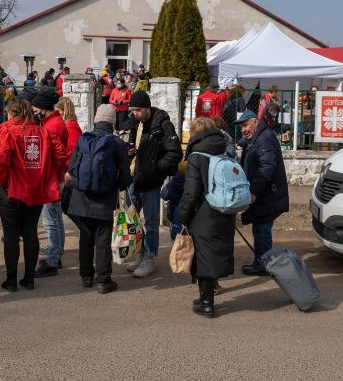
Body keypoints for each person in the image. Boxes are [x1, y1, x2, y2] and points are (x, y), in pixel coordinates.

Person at [0, 99, 67, 291]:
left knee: (11, 236)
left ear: (11, 113)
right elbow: (61, 156)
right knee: (30, 232)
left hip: (12, 189)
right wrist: (52, 175)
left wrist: (2, 181)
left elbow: (0, 159)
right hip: (36, 189)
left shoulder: (7, 130)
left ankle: (11, 280)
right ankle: (29, 278)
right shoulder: (44, 132)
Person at [65, 104, 132, 294]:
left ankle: (86, 276)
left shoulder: (83, 139)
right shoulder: (117, 143)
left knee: (86, 237)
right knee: (102, 240)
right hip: (104, 199)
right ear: (112, 121)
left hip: (81, 198)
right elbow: (126, 176)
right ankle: (104, 280)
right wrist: (118, 187)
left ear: (96, 119)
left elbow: (71, 168)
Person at [177, 117, 236, 318]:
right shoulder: (225, 149)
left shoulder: (196, 156)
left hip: (204, 213)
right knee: (214, 255)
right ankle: (206, 297)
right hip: (225, 210)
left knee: (203, 258)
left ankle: (207, 304)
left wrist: (183, 216)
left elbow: (191, 192)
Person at [126, 90, 183, 277]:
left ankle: (149, 258)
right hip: (134, 178)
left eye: (137, 110)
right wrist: (130, 152)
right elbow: (135, 146)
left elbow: (175, 153)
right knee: (133, 221)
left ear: (147, 107)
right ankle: (141, 254)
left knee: (150, 223)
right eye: (132, 110)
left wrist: (156, 168)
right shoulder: (135, 123)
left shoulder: (163, 125)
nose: (134, 113)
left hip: (150, 181)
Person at [234, 110, 289, 275]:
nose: (243, 130)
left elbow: (267, 168)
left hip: (267, 196)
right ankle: (262, 261)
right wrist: (241, 142)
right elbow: (249, 143)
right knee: (260, 228)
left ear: (255, 121)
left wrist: (253, 192)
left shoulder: (264, 138)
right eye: (241, 127)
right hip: (266, 195)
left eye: (245, 125)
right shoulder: (258, 136)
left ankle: (264, 264)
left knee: (262, 230)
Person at [30, 91, 69, 277]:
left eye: (35, 108)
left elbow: (52, 155)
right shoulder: (52, 122)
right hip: (56, 177)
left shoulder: (52, 126)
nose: (33, 110)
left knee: (50, 221)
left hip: (51, 179)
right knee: (56, 218)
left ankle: (52, 260)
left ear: (44, 108)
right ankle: (57, 253)